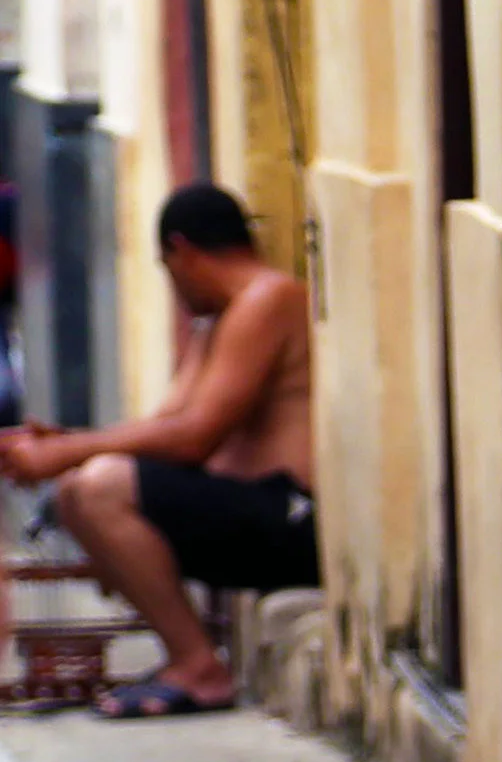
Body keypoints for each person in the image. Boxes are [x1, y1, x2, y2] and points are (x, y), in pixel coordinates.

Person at [0, 182, 316, 717]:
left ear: (182, 251)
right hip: (245, 512)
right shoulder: (217, 321)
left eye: (167, 268)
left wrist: (69, 453)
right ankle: (186, 658)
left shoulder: (270, 299)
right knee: (81, 489)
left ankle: (200, 668)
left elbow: (195, 438)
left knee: (100, 486)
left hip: (293, 517)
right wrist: (66, 446)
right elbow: (165, 427)